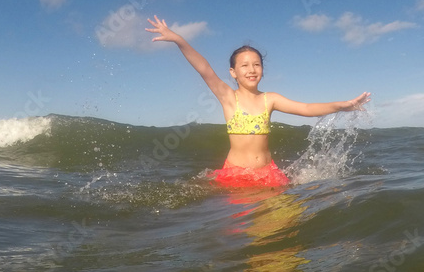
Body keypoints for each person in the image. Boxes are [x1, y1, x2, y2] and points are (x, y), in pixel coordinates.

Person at [145, 15, 370, 187]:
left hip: (268, 173)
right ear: (233, 72)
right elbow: (204, 68)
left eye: (256, 64)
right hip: (236, 174)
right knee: (245, 233)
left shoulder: (269, 99)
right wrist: (177, 39)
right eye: (244, 66)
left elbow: (306, 108)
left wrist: (343, 105)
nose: (251, 70)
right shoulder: (228, 97)